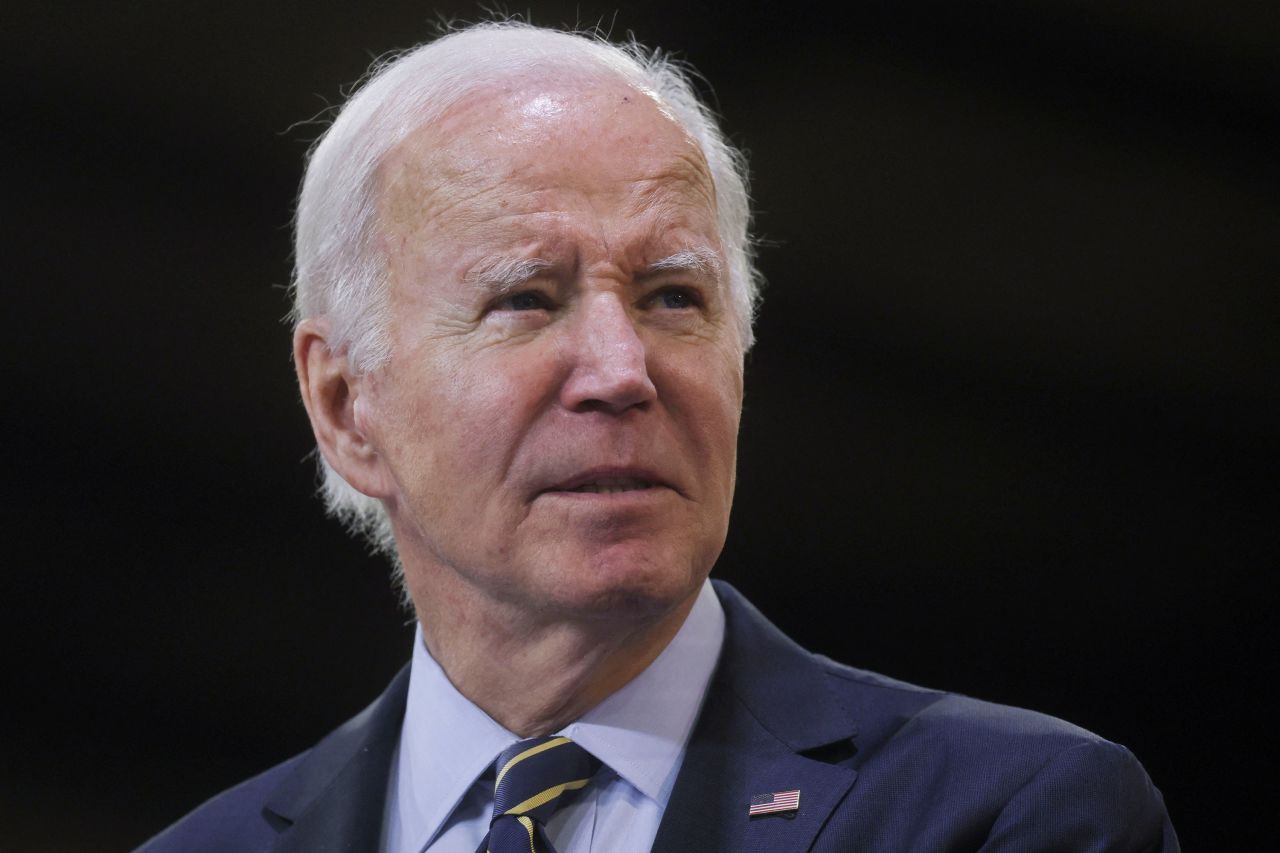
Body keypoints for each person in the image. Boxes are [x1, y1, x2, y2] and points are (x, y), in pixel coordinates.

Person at [140, 21, 1178, 853]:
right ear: (343, 405)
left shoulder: (1007, 815)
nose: (621, 370)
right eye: (525, 299)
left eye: (673, 296)